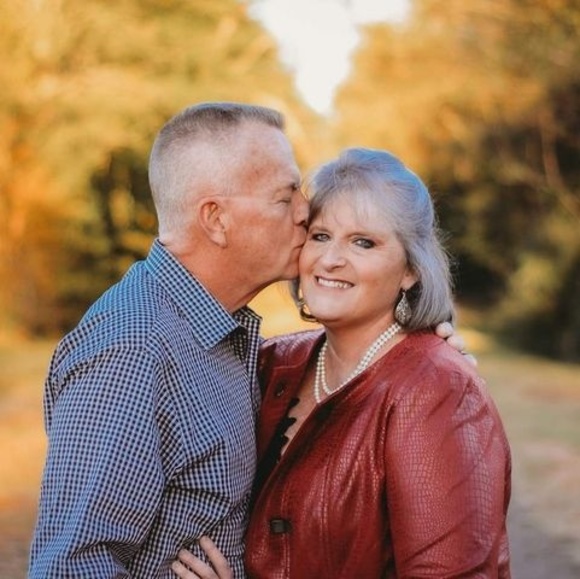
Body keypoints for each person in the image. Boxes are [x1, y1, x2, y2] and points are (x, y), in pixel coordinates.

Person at [172, 148, 511, 578]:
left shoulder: (437, 391)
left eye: (363, 242)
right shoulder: (272, 363)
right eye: (320, 236)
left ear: (410, 270)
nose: (331, 259)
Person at [29, 102, 309, 577]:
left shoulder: (216, 329)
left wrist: (412, 342)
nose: (305, 212)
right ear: (215, 219)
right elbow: (71, 568)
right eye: (285, 198)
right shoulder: (131, 349)